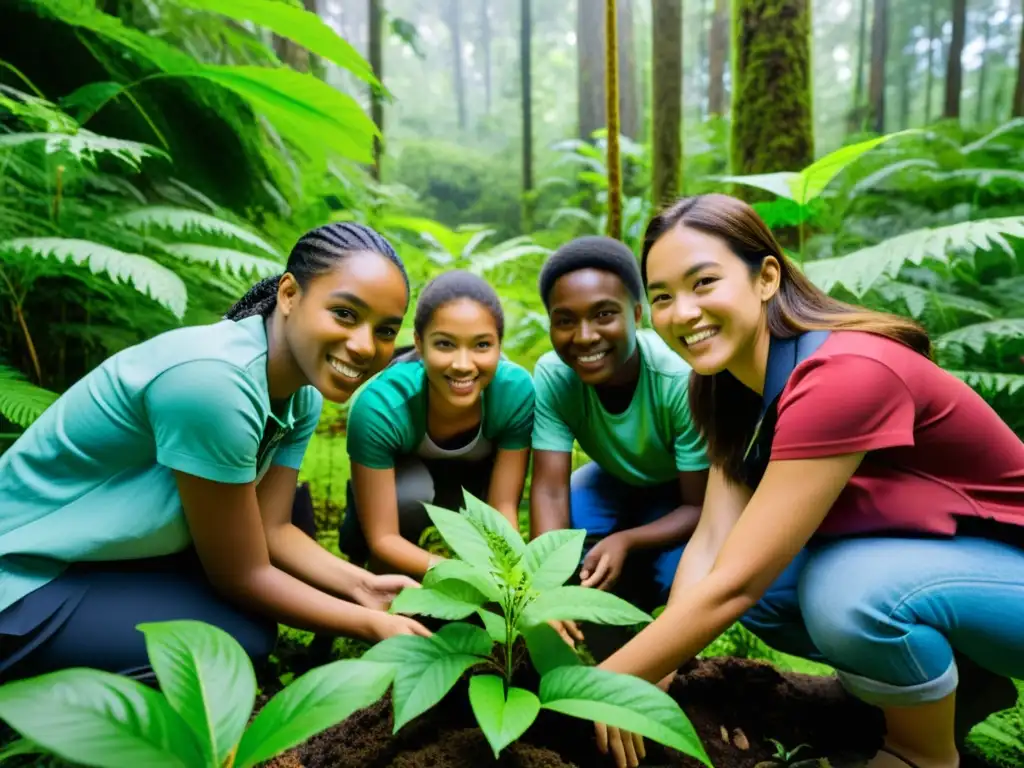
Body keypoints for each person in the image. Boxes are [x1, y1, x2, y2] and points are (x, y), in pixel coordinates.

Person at [589, 194, 1024, 768]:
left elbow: (733, 584)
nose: (683, 312)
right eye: (663, 297)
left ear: (766, 277)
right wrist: (658, 666)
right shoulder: (727, 386)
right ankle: (958, 686)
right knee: (772, 584)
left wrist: (608, 683)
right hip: (948, 567)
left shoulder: (844, 374)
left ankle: (919, 752)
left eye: (704, 283)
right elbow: (716, 541)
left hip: (1005, 572)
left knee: (847, 592)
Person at [0, 222, 431, 685]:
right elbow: (243, 575)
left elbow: (273, 528)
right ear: (289, 294)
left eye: (385, 330)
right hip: (23, 576)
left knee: (256, 610)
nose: (366, 346)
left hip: (98, 555)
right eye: (345, 313)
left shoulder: (299, 391)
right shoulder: (214, 383)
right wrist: (371, 624)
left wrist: (363, 586)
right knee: (231, 645)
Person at [529, 236, 710, 659]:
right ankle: (597, 646)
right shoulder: (555, 376)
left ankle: (661, 651)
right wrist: (547, 586)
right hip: (612, 477)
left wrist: (626, 540)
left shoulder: (678, 381)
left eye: (604, 315)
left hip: (680, 489)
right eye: (565, 320)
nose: (585, 336)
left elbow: (699, 505)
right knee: (570, 536)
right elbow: (549, 490)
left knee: (668, 572)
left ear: (636, 314)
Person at [339, 270, 534, 578]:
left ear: (499, 345)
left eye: (482, 345)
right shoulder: (382, 405)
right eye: (445, 344)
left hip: (473, 484)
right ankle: (374, 592)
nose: (463, 364)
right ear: (419, 343)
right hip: (402, 486)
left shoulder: (514, 392)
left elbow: (503, 507)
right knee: (408, 497)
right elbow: (383, 538)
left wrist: (510, 579)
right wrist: (461, 575)